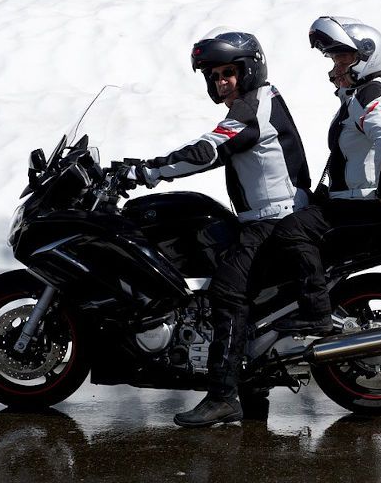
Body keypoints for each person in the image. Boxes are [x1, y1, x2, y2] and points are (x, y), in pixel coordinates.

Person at [122, 28, 310, 427]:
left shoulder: (251, 109)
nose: (222, 82)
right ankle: (251, 377)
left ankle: (224, 395)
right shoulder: (258, 101)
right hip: (270, 214)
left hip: (272, 219)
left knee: (227, 293)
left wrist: (149, 170)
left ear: (249, 70)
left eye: (229, 72)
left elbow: (208, 150)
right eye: (215, 75)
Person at [250, 16, 381, 334]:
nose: (335, 67)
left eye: (343, 58)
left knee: (291, 231)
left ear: (365, 58)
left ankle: (317, 312)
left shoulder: (369, 96)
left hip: (366, 206)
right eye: (334, 58)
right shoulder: (360, 97)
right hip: (352, 199)